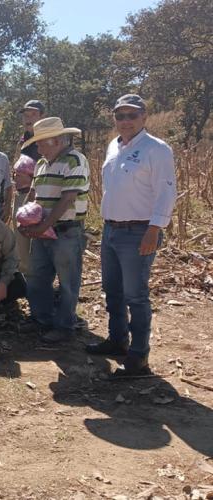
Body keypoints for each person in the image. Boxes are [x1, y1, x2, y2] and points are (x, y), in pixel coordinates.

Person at [86, 94, 177, 377]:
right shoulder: (114, 146)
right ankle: (117, 340)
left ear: (144, 117)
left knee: (135, 296)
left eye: (131, 115)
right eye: (120, 116)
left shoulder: (157, 149)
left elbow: (166, 192)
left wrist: (154, 229)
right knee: (112, 291)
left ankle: (139, 356)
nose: (125, 121)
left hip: (139, 230)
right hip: (112, 229)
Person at [18, 117, 89, 343]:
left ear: (56, 140)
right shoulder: (41, 163)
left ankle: (65, 326)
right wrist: (26, 219)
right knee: (38, 276)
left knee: (67, 280)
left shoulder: (74, 160)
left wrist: (43, 226)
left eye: (41, 143)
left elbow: (68, 199)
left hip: (66, 231)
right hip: (41, 232)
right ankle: (41, 318)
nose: (37, 147)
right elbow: (34, 195)